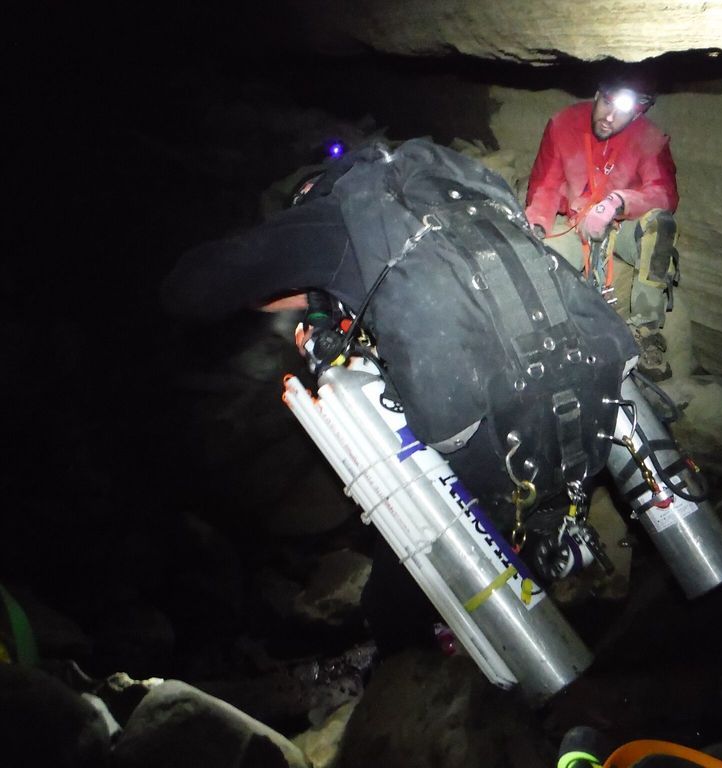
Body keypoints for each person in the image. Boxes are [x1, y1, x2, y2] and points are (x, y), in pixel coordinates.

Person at [162, 138, 638, 655]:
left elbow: (192, 289)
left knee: (393, 607)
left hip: (486, 425)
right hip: (586, 387)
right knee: (535, 525)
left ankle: (430, 672)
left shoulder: (341, 214)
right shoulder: (460, 189)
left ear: (311, 194)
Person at [525, 77, 680, 381]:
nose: (609, 117)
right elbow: (545, 185)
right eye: (607, 102)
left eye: (622, 110)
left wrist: (618, 203)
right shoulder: (564, 124)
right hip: (574, 222)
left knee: (660, 224)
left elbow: (664, 194)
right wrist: (537, 226)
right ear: (597, 95)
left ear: (637, 112)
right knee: (538, 262)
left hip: (620, 225)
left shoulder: (650, 138)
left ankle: (645, 329)